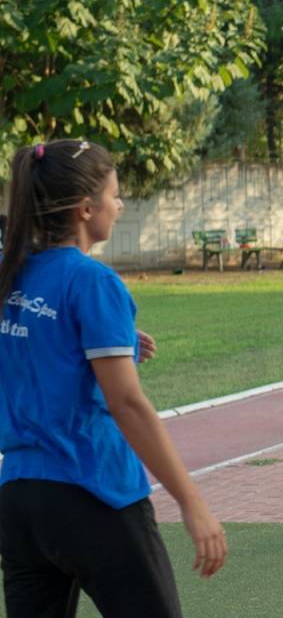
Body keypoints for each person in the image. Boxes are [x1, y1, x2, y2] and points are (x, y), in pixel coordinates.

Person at [0, 140, 228, 616]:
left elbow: (37, 352)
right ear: (86, 209)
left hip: (20, 503)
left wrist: (108, 341)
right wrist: (191, 501)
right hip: (93, 491)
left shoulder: (12, 279)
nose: (120, 204)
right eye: (114, 194)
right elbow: (127, 404)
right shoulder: (92, 281)